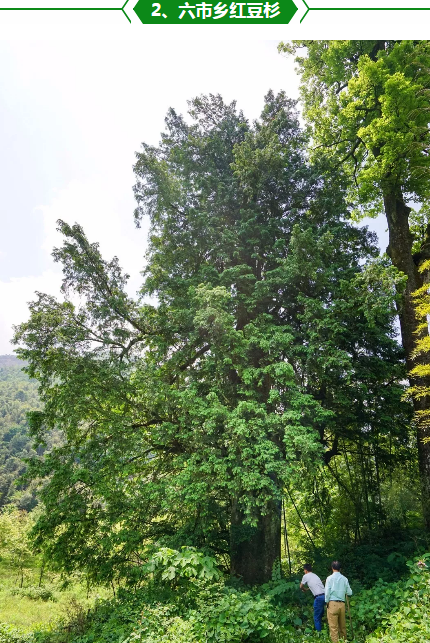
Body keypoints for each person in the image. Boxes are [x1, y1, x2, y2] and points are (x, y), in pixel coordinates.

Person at [325, 561, 352, 642]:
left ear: (332, 568)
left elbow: (327, 593)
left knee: (333, 627)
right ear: (340, 569)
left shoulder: (329, 578)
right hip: (342, 604)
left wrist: (327, 602)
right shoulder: (344, 579)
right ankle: (344, 641)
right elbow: (350, 593)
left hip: (332, 603)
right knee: (342, 627)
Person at [300, 563, 325, 632]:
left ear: (305, 570)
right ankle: (323, 628)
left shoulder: (305, 576)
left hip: (319, 597)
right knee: (321, 613)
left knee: (316, 617)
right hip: (325, 596)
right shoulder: (315, 575)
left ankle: (319, 634)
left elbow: (301, 586)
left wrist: (304, 589)